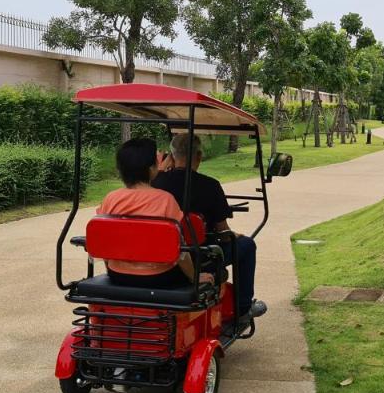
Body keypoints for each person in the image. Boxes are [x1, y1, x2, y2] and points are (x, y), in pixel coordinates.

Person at [153, 133, 266, 321]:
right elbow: (222, 231)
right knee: (246, 245)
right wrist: (231, 235)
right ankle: (243, 308)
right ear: (198, 157)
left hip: (160, 250)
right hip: (199, 254)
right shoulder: (210, 186)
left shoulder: (155, 183)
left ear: (171, 156)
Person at [97, 137, 204, 290]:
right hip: (158, 277)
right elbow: (180, 250)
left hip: (117, 275)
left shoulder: (111, 199)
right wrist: (195, 277)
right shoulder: (165, 200)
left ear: (120, 170)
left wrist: (113, 268)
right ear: (152, 168)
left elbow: (105, 242)